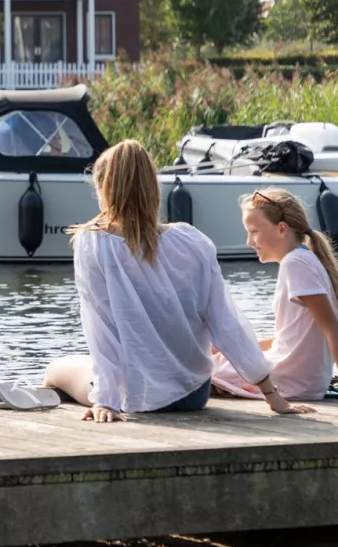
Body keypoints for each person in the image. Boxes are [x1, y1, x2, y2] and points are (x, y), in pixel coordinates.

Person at [41, 140, 313, 422]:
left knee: (56, 368)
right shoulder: (191, 241)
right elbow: (225, 323)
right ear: (152, 187)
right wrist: (272, 396)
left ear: (104, 189)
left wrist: (106, 402)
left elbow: (102, 331)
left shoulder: (92, 243)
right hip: (193, 393)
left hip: (135, 397)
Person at [211, 189, 338, 409]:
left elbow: (333, 330)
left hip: (292, 380)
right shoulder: (302, 260)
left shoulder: (295, 264)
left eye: (253, 232)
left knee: (199, 365)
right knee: (216, 355)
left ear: (282, 229)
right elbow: (293, 336)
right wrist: (235, 349)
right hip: (300, 378)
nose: (249, 242)